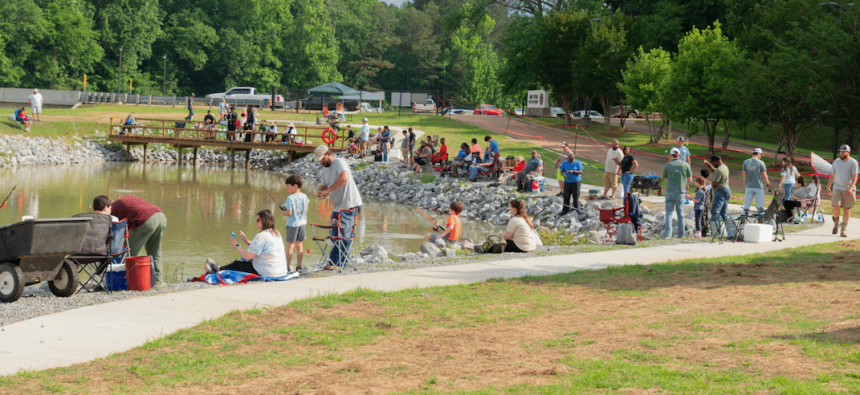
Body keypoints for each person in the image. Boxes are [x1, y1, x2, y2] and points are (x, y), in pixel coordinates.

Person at [315, 145, 363, 269]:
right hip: (337, 207)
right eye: (319, 160)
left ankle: (341, 264)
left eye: (322, 159)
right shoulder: (325, 169)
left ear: (328, 154)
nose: (321, 162)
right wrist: (320, 191)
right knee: (334, 236)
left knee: (345, 236)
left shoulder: (339, 162)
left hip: (350, 204)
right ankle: (332, 263)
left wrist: (329, 190)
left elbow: (344, 178)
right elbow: (323, 186)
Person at [205, 209, 288, 278]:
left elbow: (247, 256)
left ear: (264, 221)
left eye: (258, 220)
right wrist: (247, 241)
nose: (256, 221)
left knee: (237, 264)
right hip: (281, 271)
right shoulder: (276, 233)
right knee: (247, 262)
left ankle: (217, 270)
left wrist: (236, 245)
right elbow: (263, 249)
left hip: (268, 272)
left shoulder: (261, 236)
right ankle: (219, 268)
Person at [110, 195, 167, 284]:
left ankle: (127, 283)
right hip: (160, 216)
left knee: (128, 254)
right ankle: (158, 282)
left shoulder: (112, 209)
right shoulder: (127, 200)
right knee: (155, 252)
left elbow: (115, 233)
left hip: (146, 219)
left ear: (108, 206)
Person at [827, 144, 858, 237]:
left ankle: (843, 230)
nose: (841, 153)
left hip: (848, 188)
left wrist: (851, 188)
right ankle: (836, 224)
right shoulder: (836, 162)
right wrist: (828, 186)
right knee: (836, 207)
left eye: (843, 152)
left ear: (848, 152)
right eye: (840, 151)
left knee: (846, 209)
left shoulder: (853, 162)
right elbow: (832, 175)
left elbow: (855, 177)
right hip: (837, 187)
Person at [280, 175, 309, 273]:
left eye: (288, 186)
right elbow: (307, 209)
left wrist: (283, 212)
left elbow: (289, 213)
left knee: (290, 246)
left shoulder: (290, 198)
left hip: (292, 225)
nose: (287, 187)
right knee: (299, 245)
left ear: (295, 186)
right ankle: (299, 266)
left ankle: (287, 267)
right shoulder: (305, 196)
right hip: (302, 224)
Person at [662, 147, 692, 238]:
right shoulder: (685, 165)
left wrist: (671, 182)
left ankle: (667, 234)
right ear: (679, 155)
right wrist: (686, 185)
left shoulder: (667, 165)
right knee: (681, 214)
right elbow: (690, 180)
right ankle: (681, 234)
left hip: (669, 191)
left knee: (669, 213)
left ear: (671, 155)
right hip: (680, 191)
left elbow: (665, 178)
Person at [742, 148, 771, 216]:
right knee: (760, 205)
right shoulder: (761, 163)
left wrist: (745, 185)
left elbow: (744, 175)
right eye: (761, 154)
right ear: (758, 154)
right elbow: (764, 175)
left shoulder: (746, 162)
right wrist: (767, 182)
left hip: (749, 186)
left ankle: (743, 218)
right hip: (758, 186)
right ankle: (760, 219)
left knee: (746, 205)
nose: (761, 156)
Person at [705, 155, 730, 225]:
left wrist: (706, 187)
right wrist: (708, 164)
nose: (713, 164)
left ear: (716, 161)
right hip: (727, 190)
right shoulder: (724, 167)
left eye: (713, 163)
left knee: (714, 211)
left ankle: (713, 228)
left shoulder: (719, 170)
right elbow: (714, 171)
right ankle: (726, 226)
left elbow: (714, 183)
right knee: (723, 212)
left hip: (720, 192)